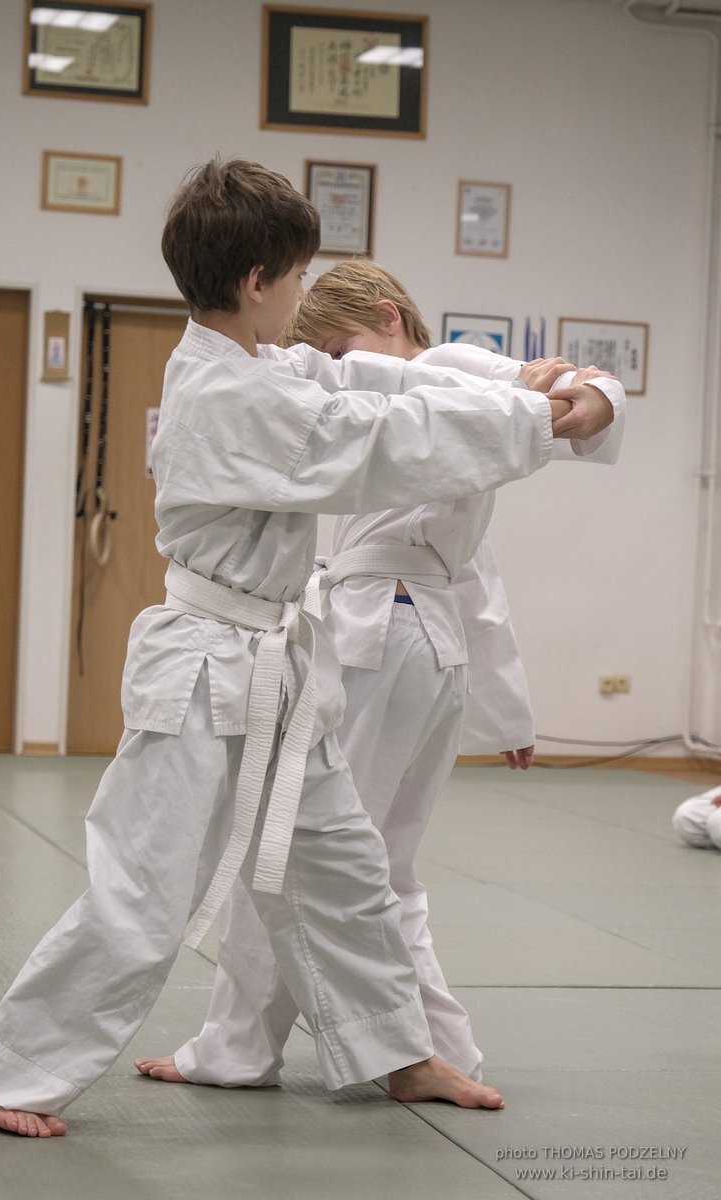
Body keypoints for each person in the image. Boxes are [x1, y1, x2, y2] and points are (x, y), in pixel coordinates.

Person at [0, 159, 617, 1138]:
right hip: (205, 664)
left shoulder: (255, 362)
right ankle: (3, 1081)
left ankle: (396, 1053)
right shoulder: (230, 397)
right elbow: (371, 441)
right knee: (145, 884)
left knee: (340, 864)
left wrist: (514, 383)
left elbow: (362, 378)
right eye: (299, 275)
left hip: (271, 660)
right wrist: (531, 418)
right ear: (260, 278)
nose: (305, 296)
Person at [135, 259, 625, 1094]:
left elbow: (566, 394)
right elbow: (480, 579)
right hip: (427, 642)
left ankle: (238, 1047)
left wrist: (595, 392)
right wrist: (507, 712)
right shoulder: (435, 389)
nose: (332, 366)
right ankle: (438, 1053)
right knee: (381, 871)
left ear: (390, 317)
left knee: (288, 851)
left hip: (378, 632)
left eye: (339, 345)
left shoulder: (435, 369)